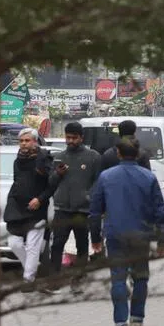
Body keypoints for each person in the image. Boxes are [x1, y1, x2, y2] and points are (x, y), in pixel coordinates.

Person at [88, 141, 164, 326]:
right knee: (140, 277)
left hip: (115, 234)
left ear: (117, 153)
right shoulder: (148, 177)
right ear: (138, 153)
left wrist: (95, 237)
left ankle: (120, 325)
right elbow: (159, 209)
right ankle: (137, 321)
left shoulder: (106, 177)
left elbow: (95, 210)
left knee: (118, 277)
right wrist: (162, 239)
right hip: (141, 234)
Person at [48, 121, 102, 293]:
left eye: (74, 138)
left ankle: (79, 279)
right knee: (57, 244)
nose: (70, 141)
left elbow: (98, 182)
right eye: (68, 137)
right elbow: (50, 182)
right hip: (62, 208)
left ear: (81, 138)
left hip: (83, 210)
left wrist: (89, 196)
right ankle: (55, 280)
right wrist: (58, 174)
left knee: (82, 245)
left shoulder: (93, 157)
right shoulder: (59, 157)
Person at [4, 128, 56, 291]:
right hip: (18, 208)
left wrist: (39, 200)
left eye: (27, 140)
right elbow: (17, 182)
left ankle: (29, 280)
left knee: (33, 245)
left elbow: (51, 186)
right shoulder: (18, 160)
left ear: (35, 141)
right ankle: (34, 267)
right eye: (21, 141)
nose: (24, 144)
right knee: (14, 243)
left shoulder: (44, 159)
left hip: (37, 208)